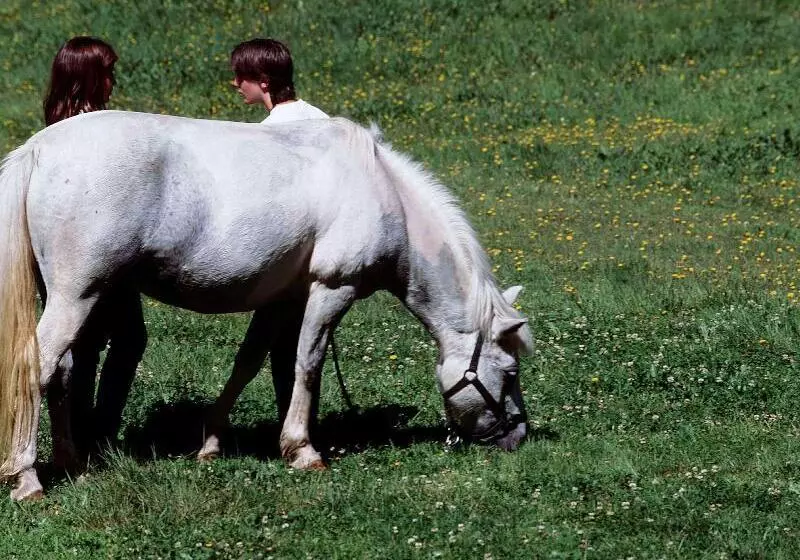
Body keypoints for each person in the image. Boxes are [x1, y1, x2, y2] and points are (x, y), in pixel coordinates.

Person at [43, 37, 147, 463]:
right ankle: (98, 432)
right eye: (107, 73)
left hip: (70, 248)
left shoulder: (56, 124)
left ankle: (81, 431)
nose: (113, 81)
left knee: (84, 342)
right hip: (101, 250)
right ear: (88, 76)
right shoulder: (95, 130)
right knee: (124, 339)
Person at [230, 38, 329, 124]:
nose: (235, 83)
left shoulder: (268, 130)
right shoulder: (319, 116)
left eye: (240, 77)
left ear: (264, 81)